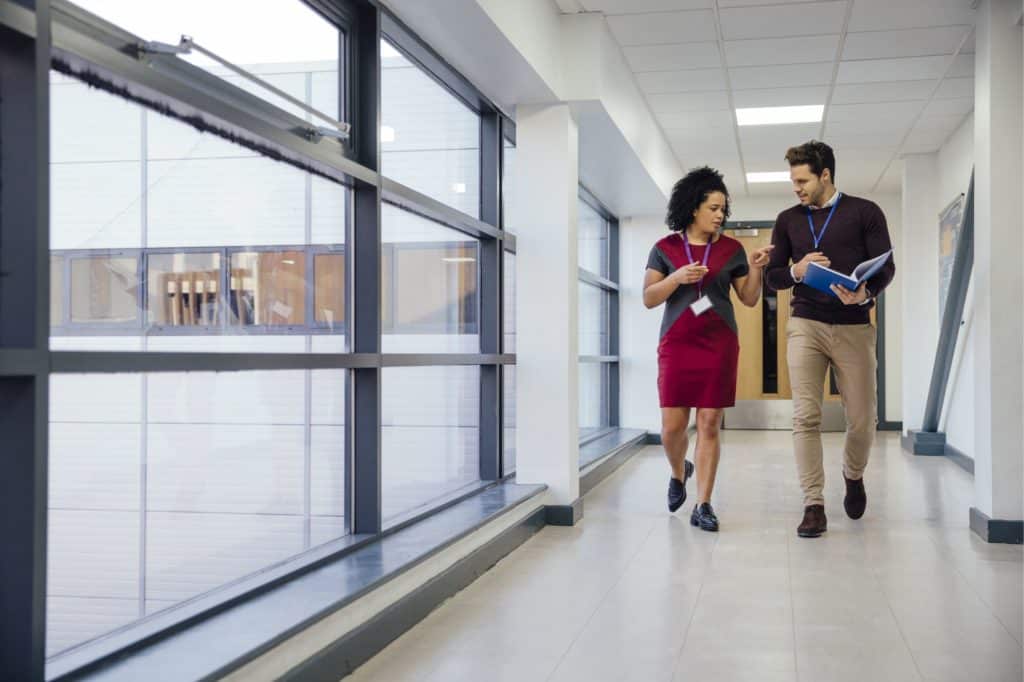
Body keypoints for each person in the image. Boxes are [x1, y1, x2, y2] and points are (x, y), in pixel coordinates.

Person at [764, 140, 895, 538]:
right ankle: (813, 503)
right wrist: (797, 271)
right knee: (805, 416)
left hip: (854, 325)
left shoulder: (865, 212)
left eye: (802, 180)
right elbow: (773, 276)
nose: (796, 188)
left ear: (825, 175)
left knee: (861, 420)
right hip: (806, 323)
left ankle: (853, 475)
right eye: (793, 180)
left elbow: (886, 268)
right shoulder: (788, 219)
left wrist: (865, 292)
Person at [644, 167, 773, 532]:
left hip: (719, 344)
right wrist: (675, 278)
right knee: (672, 428)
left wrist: (756, 269)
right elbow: (649, 298)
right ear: (693, 207)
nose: (720, 215)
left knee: (709, 423)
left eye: (723, 209)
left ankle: (703, 504)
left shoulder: (732, 249)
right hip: (677, 344)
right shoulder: (665, 249)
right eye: (714, 207)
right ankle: (678, 471)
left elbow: (748, 299)